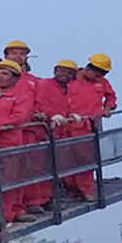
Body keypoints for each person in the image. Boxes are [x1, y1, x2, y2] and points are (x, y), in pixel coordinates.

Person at [0, 60, 36, 229]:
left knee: (8, 180)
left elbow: (18, 117)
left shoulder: (21, 95)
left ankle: (4, 215)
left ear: (15, 78)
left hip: (9, 143)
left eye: (5, 74)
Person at [27, 60, 78, 213]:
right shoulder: (44, 85)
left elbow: (65, 106)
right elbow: (39, 104)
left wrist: (71, 115)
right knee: (37, 168)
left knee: (51, 168)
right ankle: (34, 201)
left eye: (69, 73)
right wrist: (51, 115)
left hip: (57, 134)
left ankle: (47, 199)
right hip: (41, 133)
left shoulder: (67, 89)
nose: (65, 75)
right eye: (62, 71)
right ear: (55, 70)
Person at [66, 54, 117, 202]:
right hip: (68, 126)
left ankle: (86, 190)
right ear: (89, 69)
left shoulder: (103, 83)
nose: (99, 78)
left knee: (86, 160)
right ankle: (72, 190)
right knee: (66, 160)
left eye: (103, 75)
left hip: (89, 128)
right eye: (97, 75)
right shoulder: (70, 79)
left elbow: (111, 96)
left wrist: (107, 108)